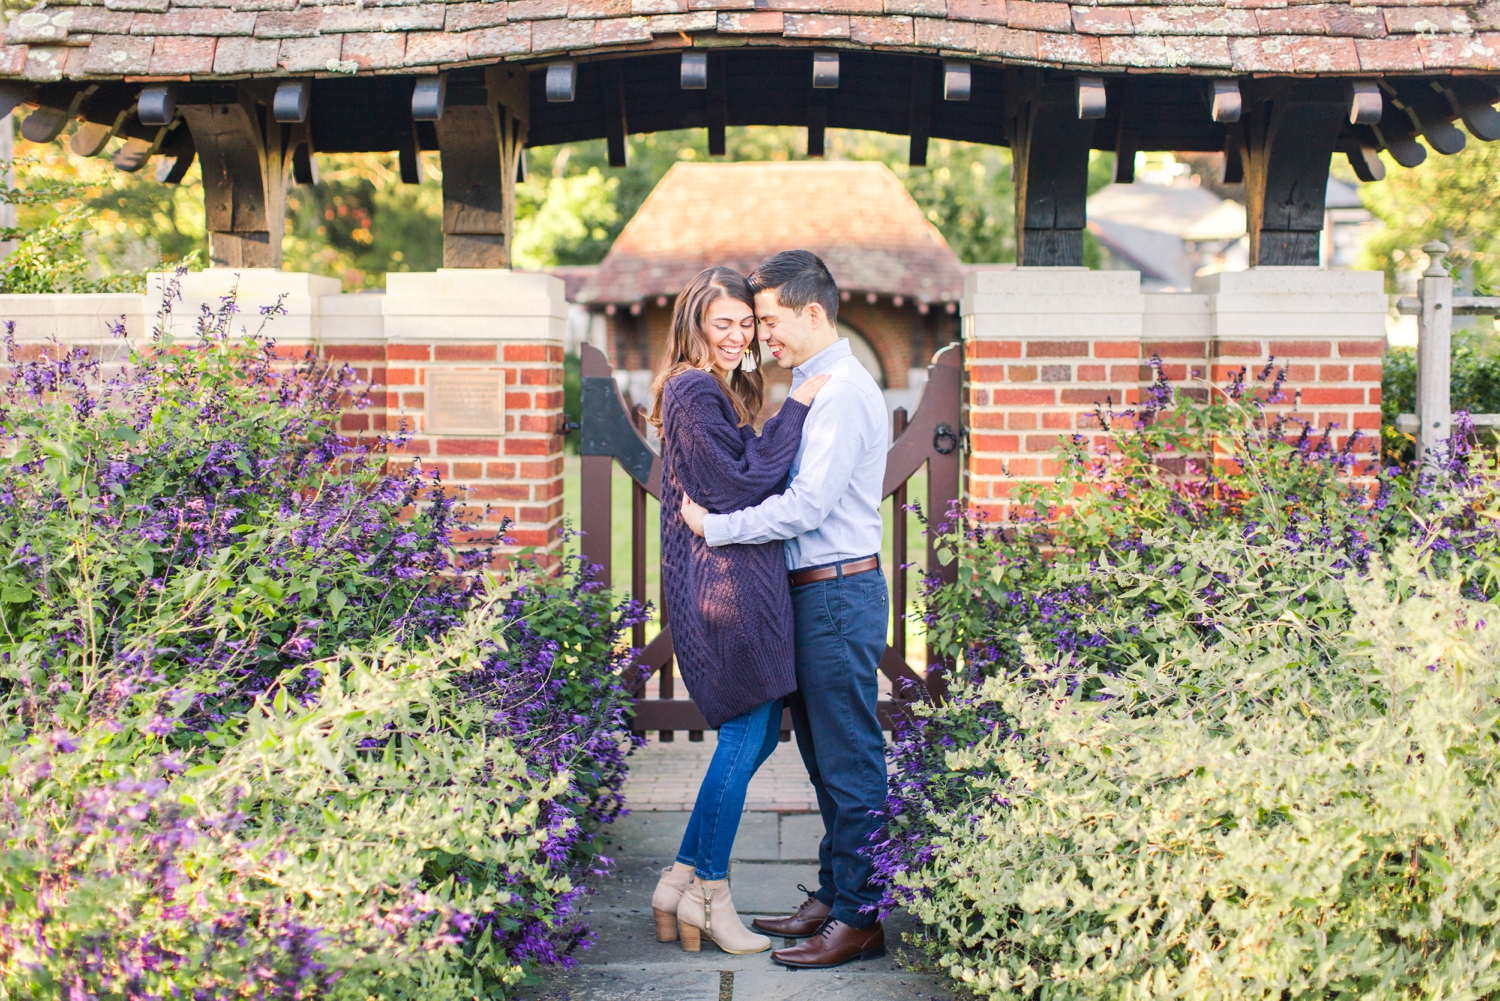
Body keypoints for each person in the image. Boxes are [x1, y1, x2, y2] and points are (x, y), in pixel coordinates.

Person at [681, 250, 890, 970]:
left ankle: (862, 916)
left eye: (768, 318)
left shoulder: (840, 392)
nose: (762, 333)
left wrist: (716, 526)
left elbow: (805, 506)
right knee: (822, 759)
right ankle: (835, 894)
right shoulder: (808, 386)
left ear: (812, 311)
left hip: (835, 591)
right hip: (813, 595)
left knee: (850, 759)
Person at [647, 266, 831, 955]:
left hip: (730, 576)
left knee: (749, 737)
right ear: (695, 325)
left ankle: (679, 879)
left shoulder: (705, 389)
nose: (738, 335)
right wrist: (797, 411)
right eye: (722, 323)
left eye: (746, 323)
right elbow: (742, 483)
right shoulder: (694, 388)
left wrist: (763, 434)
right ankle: (710, 896)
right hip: (727, 586)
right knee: (744, 735)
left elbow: (737, 468)